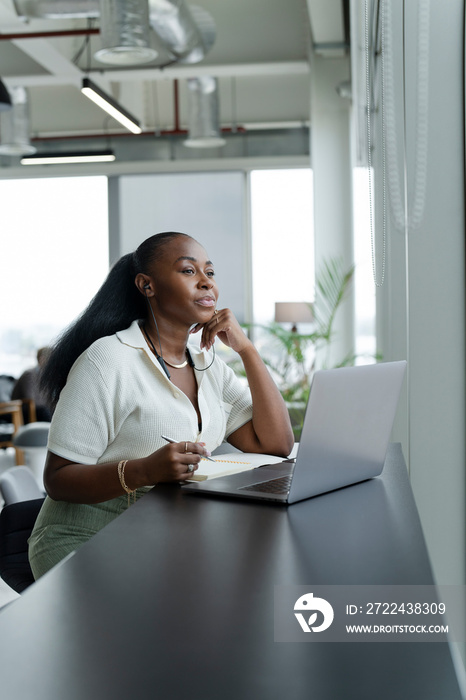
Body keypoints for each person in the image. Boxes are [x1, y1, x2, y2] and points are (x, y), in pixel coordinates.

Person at [28, 231, 293, 579]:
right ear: (147, 286)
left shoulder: (206, 363)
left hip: (166, 531)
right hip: (84, 537)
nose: (205, 283)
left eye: (209, 273)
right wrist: (145, 471)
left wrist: (247, 350)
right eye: (188, 271)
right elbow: (58, 480)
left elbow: (275, 444)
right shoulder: (107, 360)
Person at [12, 347, 53, 422]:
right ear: (42, 359)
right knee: (45, 411)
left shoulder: (43, 376)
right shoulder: (29, 374)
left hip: (38, 409)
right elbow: (30, 398)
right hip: (23, 410)